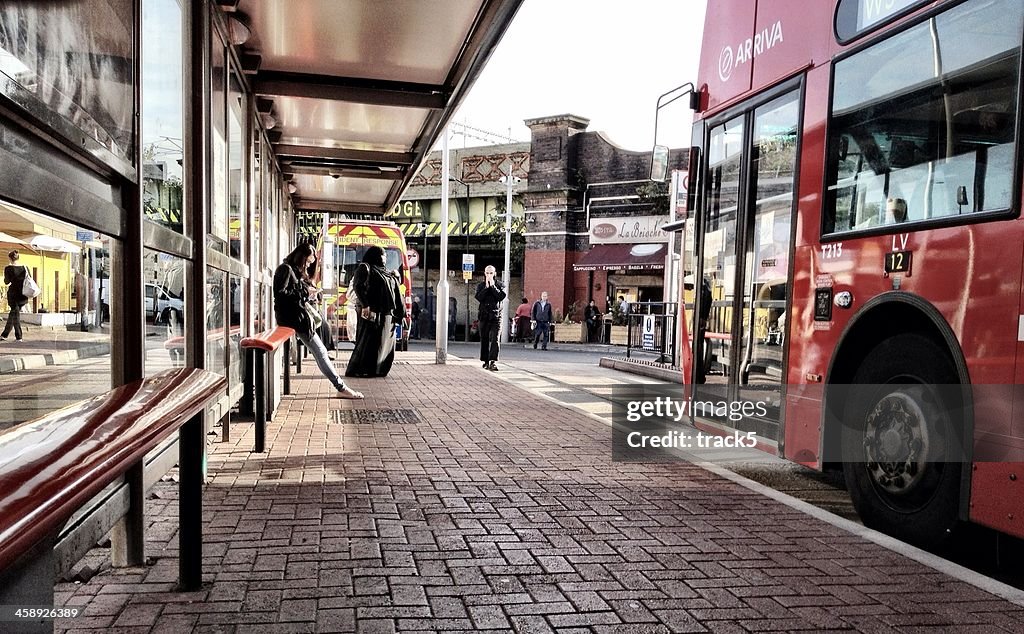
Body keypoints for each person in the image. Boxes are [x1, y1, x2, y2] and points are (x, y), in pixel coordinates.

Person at [274, 244, 363, 399]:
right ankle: (341, 387)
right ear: (301, 257)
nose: (308, 265)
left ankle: (340, 386)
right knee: (321, 352)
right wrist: (305, 292)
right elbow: (280, 294)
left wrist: (309, 293)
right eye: (307, 262)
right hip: (294, 318)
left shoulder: (293, 271)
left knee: (321, 351)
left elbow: (291, 294)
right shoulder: (286, 269)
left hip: (296, 318)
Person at [346, 246, 406, 378]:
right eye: (381, 255)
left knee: (384, 342)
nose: (384, 258)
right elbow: (358, 286)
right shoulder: (365, 268)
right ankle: (362, 369)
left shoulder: (386, 272)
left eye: (385, 255)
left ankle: (379, 369)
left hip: (387, 314)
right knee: (369, 341)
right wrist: (365, 305)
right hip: (372, 313)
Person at [475, 265, 506, 371]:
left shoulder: (500, 285)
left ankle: (493, 361)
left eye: (491, 273)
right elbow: (479, 297)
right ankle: (485, 361)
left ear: (495, 274)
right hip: (484, 316)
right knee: (484, 339)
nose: (489, 275)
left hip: (496, 316)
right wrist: (487, 288)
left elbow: (501, 296)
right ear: (484, 273)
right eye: (487, 273)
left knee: (495, 338)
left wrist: (493, 287)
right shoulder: (481, 286)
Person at [2, 250, 28, 342]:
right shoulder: (25, 268)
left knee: (15, 315)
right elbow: (28, 279)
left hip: (13, 295)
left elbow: (6, 282)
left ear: (10, 258)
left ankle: (19, 337)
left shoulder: (8, 269)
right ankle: (4, 335)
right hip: (23, 294)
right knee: (13, 314)